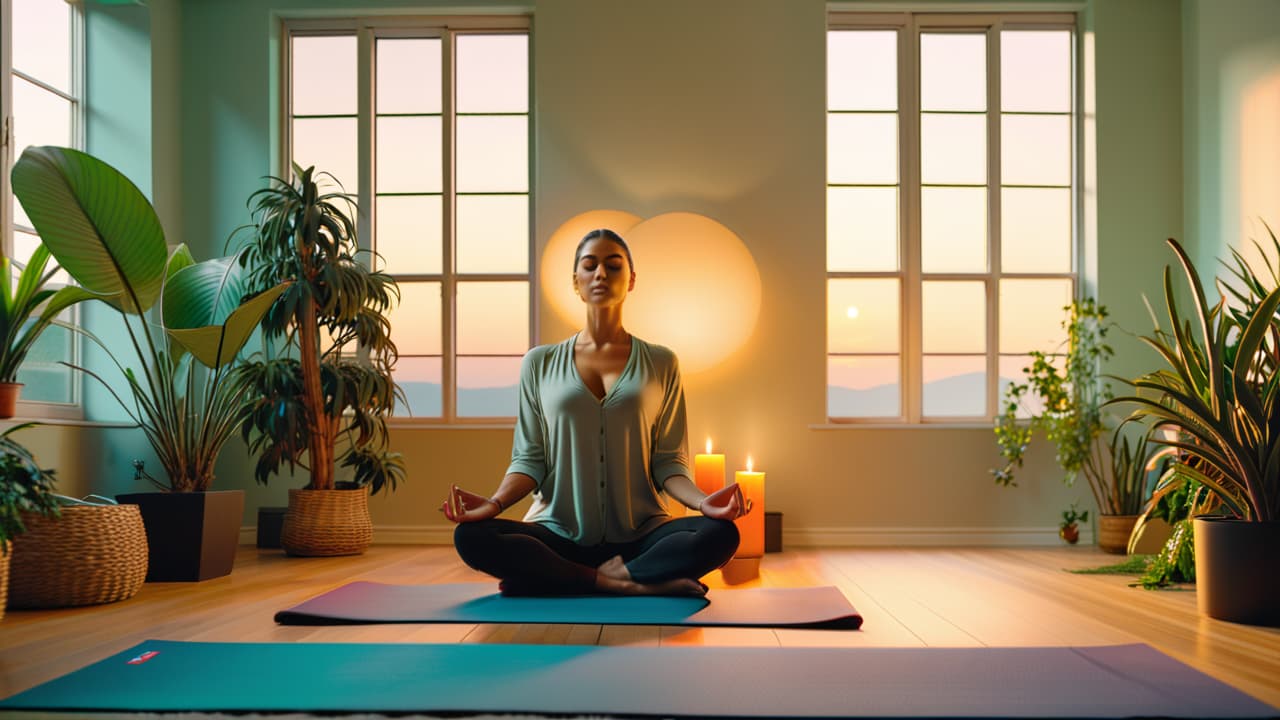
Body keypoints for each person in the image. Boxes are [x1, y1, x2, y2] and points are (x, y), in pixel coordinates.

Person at [442, 228, 750, 597]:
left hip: (642, 537)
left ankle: (562, 579)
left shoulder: (661, 362)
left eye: (613, 265)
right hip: (556, 535)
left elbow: (669, 462)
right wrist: (493, 503)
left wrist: (704, 502)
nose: (601, 274)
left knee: (720, 534)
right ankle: (627, 584)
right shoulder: (539, 363)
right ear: (577, 282)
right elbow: (530, 458)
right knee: (471, 536)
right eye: (590, 266)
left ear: (631, 280)